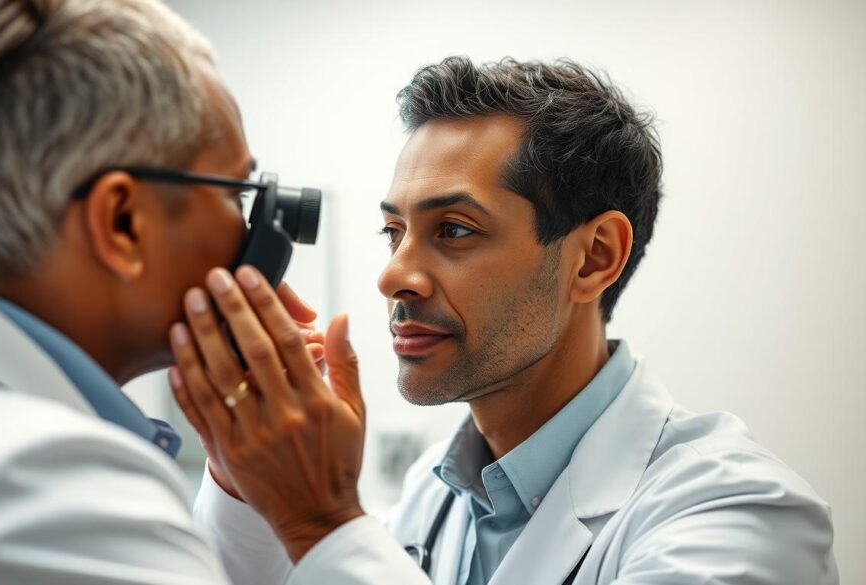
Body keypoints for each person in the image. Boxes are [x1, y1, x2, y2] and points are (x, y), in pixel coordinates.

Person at [173, 58, 840, 584]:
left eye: (454, 229)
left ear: (594, 257)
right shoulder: (435, 492)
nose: (393, 276)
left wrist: (323, 518)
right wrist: (243, 478)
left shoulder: (740, 515)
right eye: (393, 232)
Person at [0, 0, 378, 583]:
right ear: (123, 223)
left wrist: (244, 490)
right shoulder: (42, 494)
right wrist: (322, 517)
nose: (252, 229)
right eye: (236, 192)